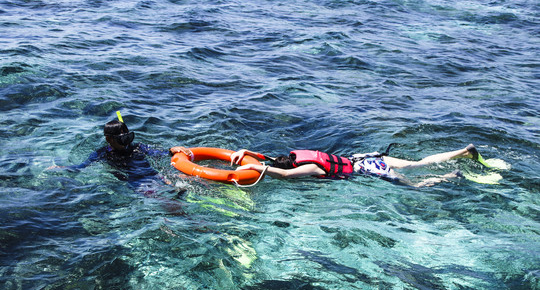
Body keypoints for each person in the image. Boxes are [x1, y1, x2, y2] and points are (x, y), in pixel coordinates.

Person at [230, 144, 485, 187]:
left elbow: (284, 173)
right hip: (367, 158)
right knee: (417, 163)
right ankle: (463, 152)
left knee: (416, 185)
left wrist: (256, 168)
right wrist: (248, 153)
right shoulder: (298, 155)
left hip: (373, 170)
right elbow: (277, 161)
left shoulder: (312, 168)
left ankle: (451, 175)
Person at [49, 118, 191, 193]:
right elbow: (80, 167)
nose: (125, 141)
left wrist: (171, 150)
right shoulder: (103, 154)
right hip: (137, 184)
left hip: (155, 175)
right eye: (120, 138)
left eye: (126, 136)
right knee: (167, 201)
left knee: (183, 184)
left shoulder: (138, 147)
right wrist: (60, 168)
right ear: (108, 139)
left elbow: (159, 153)